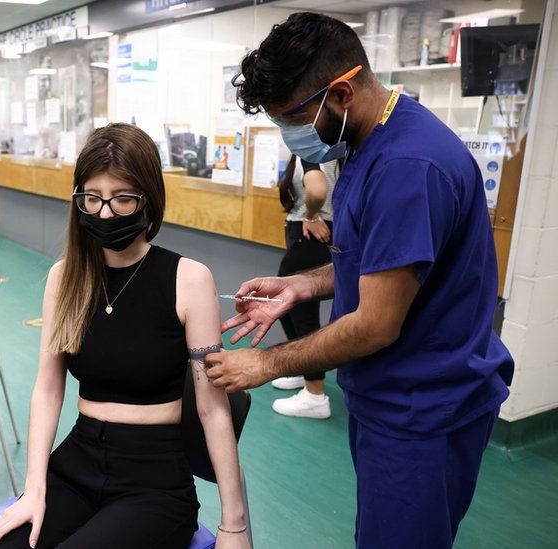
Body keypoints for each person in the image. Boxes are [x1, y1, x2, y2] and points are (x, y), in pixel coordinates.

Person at [204, 13, 513, 548]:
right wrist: (302, 286)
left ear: (341, 92)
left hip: (423, 409)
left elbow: (375, 324)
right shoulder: (370, 144)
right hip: (388, 397)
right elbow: (377, 266)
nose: (290, 136)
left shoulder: (407, 166)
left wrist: (268, 363)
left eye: (292, 120)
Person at [0, 124, 249, 549]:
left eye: (122, 198)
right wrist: (34, 489)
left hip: (154, 480)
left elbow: (213, 409)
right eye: (93, 198)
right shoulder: (65, 278)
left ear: (149, 200)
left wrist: (234, 526)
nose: (104, 213)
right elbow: (48, 390)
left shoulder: (189, 280)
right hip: (78, 460)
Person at [268, 155, 339, 419]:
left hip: (312, 231)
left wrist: (311, 216)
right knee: (284, 307)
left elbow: (318, 190)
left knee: (301, 311)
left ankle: (315, 394)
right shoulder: (316, 150)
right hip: (308, 232)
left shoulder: (316, 150)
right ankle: (302, 368)